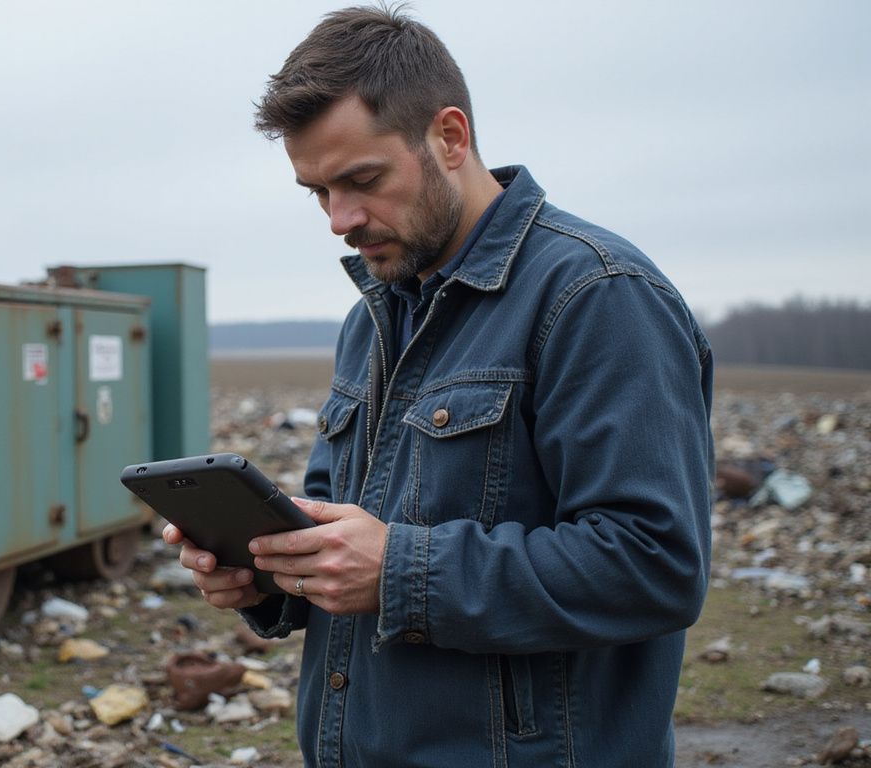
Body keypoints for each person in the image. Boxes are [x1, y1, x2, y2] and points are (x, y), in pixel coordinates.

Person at [161, 6, 714, 766]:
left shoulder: (596, 296)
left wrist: (397, 570)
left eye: (362, 180)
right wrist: (268, 578)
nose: (339, 220)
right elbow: (342, 536)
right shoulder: (375, 317)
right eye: (317, 192)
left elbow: (655, 565)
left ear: (450, 137)